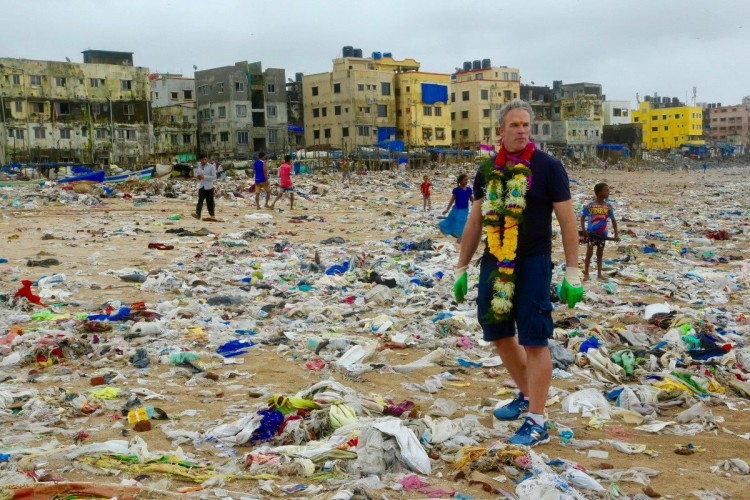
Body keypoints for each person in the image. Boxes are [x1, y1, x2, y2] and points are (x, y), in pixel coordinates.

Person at [452, 99, 583, 447]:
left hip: (534, 262)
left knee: (534, 337)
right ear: (501, 130)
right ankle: (526, 394)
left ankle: (537, 419)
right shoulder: (487, 171)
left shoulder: (548, 167)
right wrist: (461, 267)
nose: (522, 130)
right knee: (496, 331)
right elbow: (475, 220)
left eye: (526, 125)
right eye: (514, 125)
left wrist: (573, 270)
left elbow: (567, 220)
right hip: (495, 261)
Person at [581, 182, 620, 281]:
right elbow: (582, 217)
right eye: (606, 190)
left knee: (600, 254)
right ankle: (586, 273)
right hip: (591, 234)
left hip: (603, 235)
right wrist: (584, 230)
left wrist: (616, 234)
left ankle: (599, 274)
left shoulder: (608, 206)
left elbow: (613, 220)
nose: (608, 192)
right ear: (599, 193)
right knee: (589, 253)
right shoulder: (591, 205)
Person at [439, 173, 473, 242]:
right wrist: (447, 209)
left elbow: (471, 199)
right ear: (460, 181)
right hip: (456, 209)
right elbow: (452, 200)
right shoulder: (456, 190)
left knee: (462, 222)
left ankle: (460, 238)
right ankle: (455, 234)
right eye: (464, 180)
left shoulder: (469, 190)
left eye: (467, 180)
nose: (466, 181)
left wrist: (476, 205)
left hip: (465, 209)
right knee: (451, 220)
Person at [192, 155, 217, 221]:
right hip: (202, 186)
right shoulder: (198, 167)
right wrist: (198, 177)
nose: (204, 161)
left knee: (210, 202)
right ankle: (198, 215)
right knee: (200, 200)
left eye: (205, 159)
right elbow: (197, 176)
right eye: (202, 159)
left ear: (207, 159)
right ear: (200, 160)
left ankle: (212, 215)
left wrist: (204, 177)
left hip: (209, 187)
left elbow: (214, 177)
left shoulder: (211, 167)